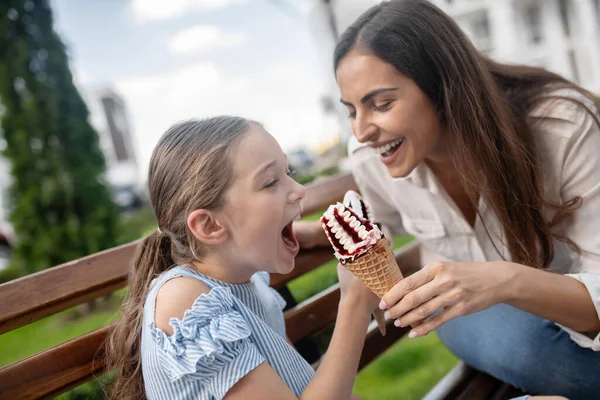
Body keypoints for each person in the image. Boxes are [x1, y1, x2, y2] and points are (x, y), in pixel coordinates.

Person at [294, 1, 600, 399]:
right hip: (472, 319)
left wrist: (505, 280)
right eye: (351, 110)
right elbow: (382, 225)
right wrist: (323, 233)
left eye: (381, 104)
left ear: (442, 83)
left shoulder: (561, 127)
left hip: (569, 303)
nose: (362, 131)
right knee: (534, 352)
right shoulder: (372, 159)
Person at [106, 116, 379, 400]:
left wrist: (311, 232)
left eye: (290, 171)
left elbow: (298, 386)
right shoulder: (186, 304)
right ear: (210, 226)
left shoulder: (245, 279)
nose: (300, 190)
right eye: (271, 181)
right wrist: (356, 302)